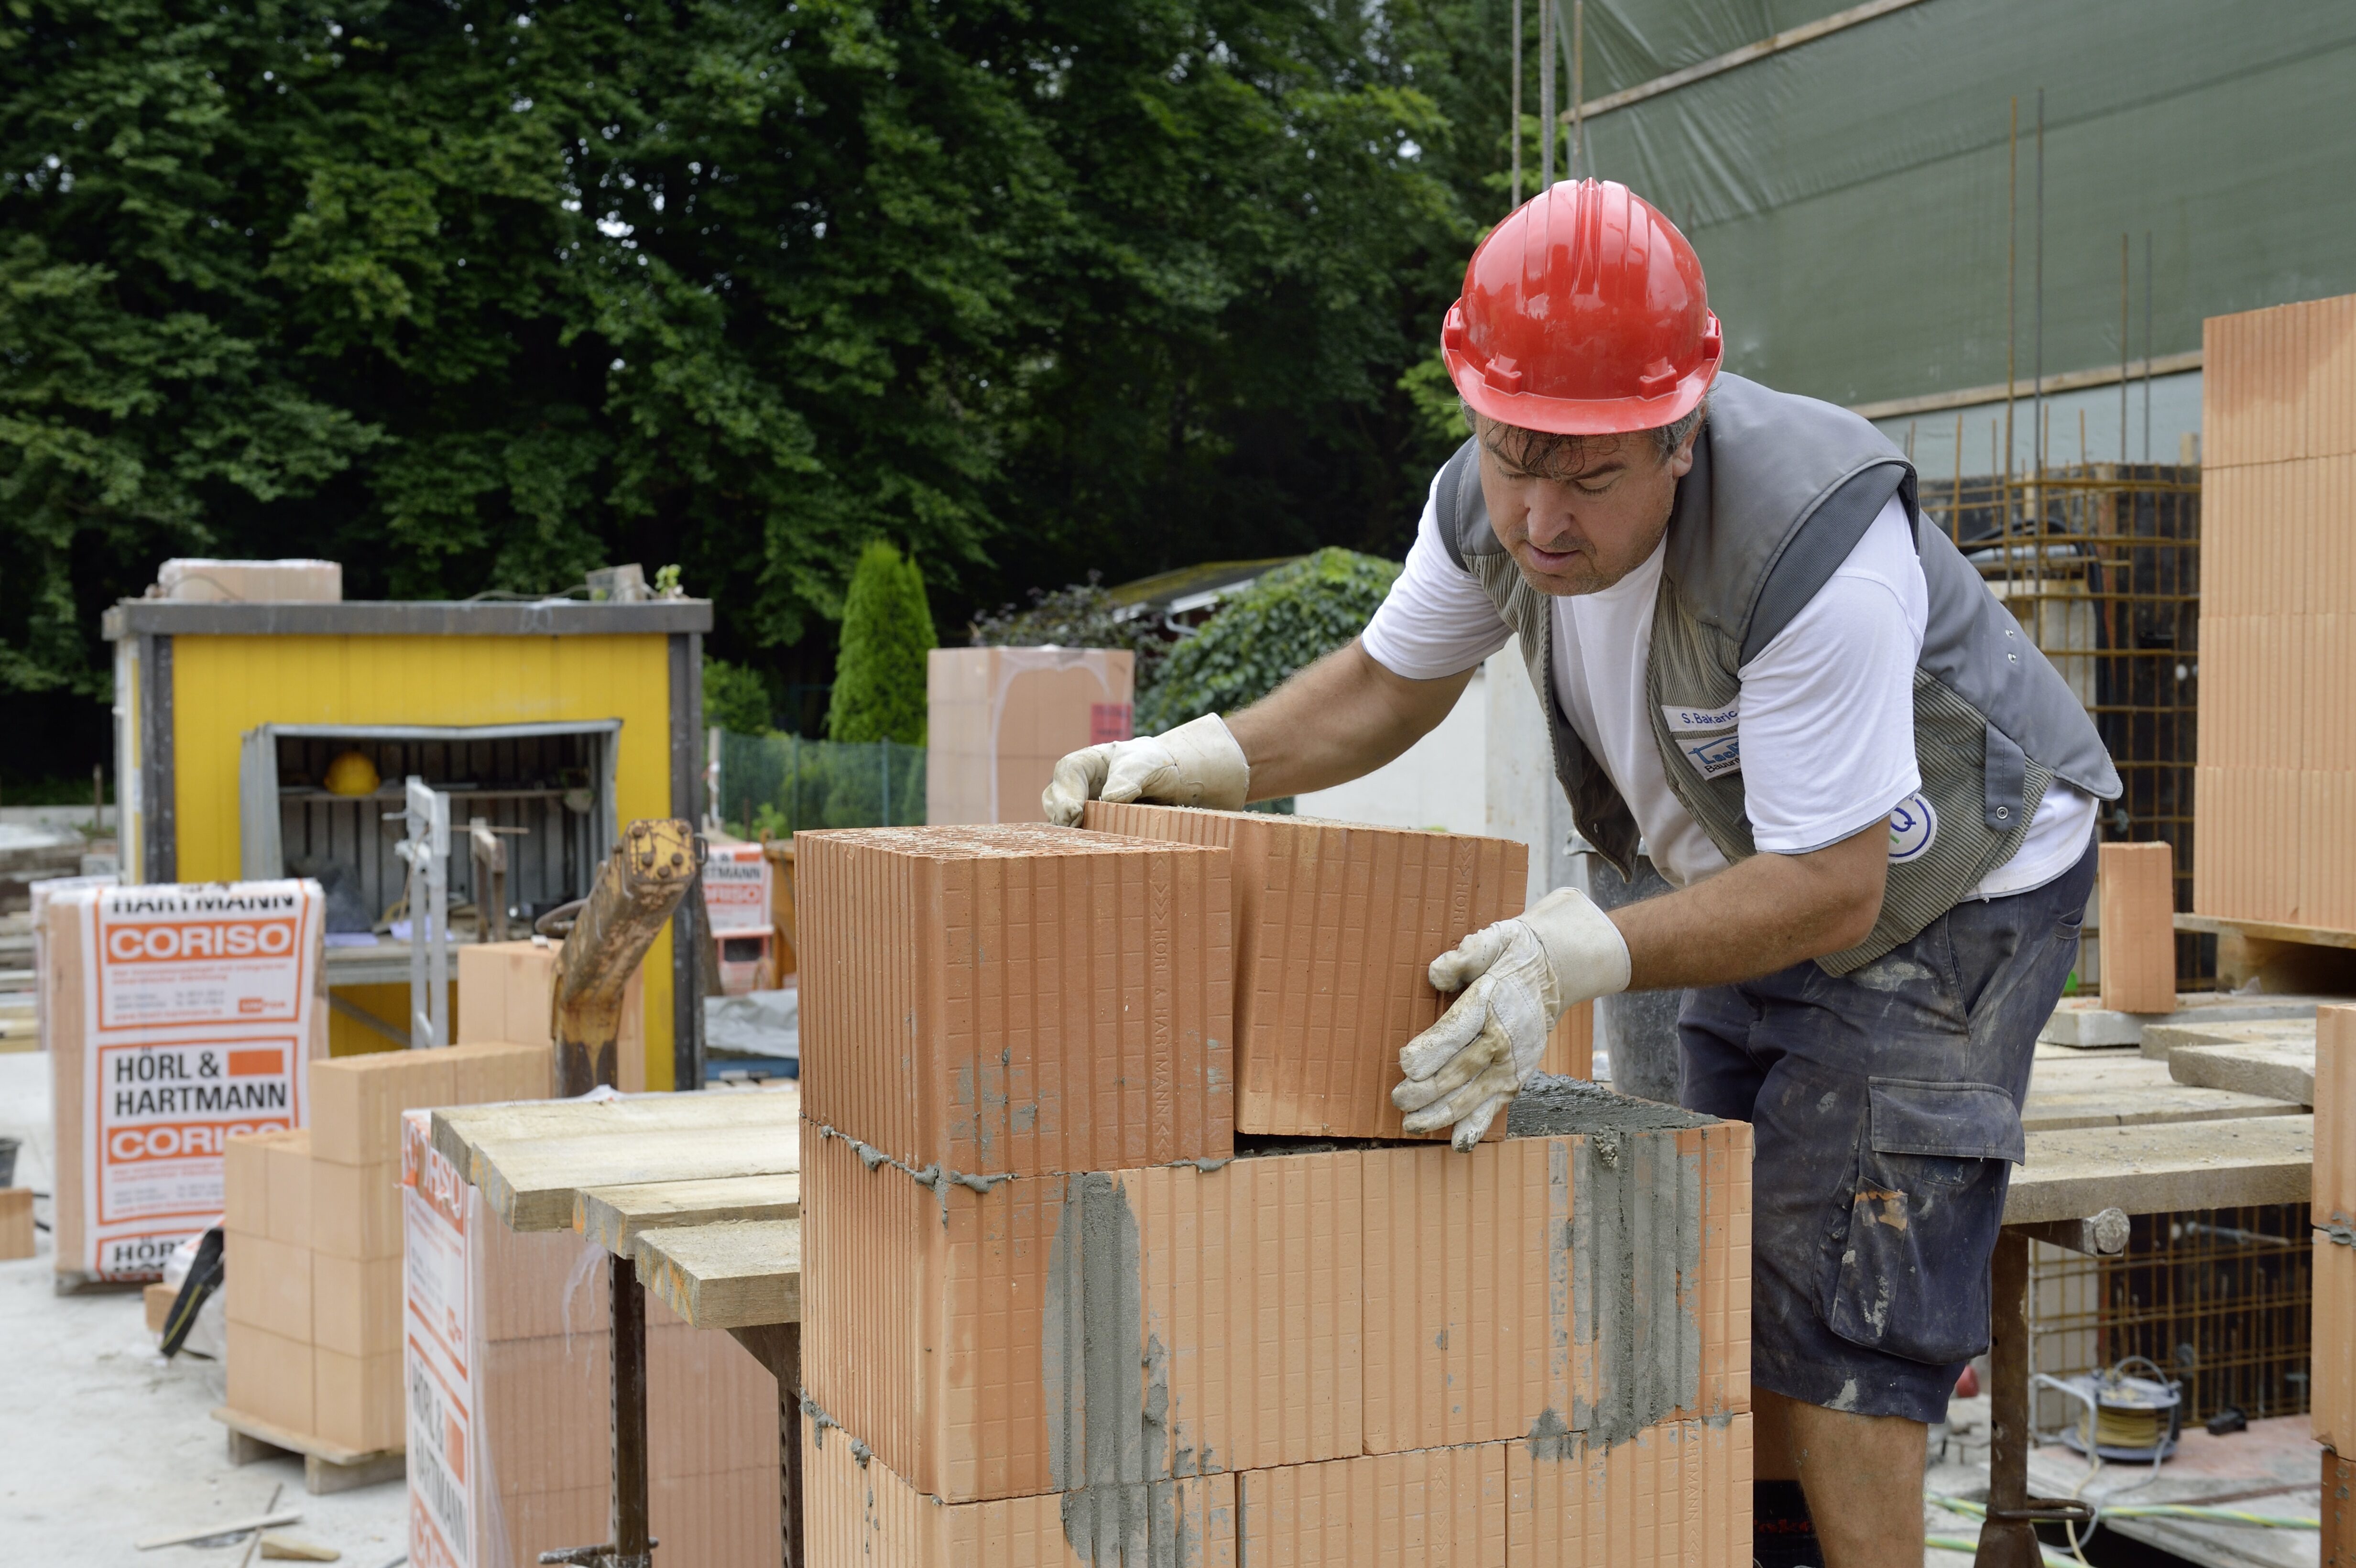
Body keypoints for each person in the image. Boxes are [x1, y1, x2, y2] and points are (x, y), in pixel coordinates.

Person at [1045, 178, 2120, 1568]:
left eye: (1591, 479)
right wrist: (1202, 755)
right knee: (1692, 1231)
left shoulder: (1814, 544)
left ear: (1681, 435)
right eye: (1512, 460)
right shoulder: (1487, 499)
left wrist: (1579, 952)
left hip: (1949, 888)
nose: (1541, 519)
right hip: (1748, 871)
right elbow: (1387, 682)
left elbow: (1840, 886)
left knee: (1841, 1278)